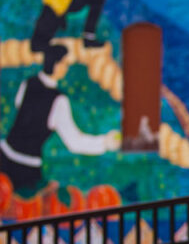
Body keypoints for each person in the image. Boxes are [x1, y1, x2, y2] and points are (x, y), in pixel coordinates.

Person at [0, 43, 120, 194]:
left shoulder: (28, 83)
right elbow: (74, 142)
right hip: (26, 172)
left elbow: (20, 108)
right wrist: (105, 143)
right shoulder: (59, 101)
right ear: (55, 65)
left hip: (3, 157)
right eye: (65, 63)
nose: (67, 67)